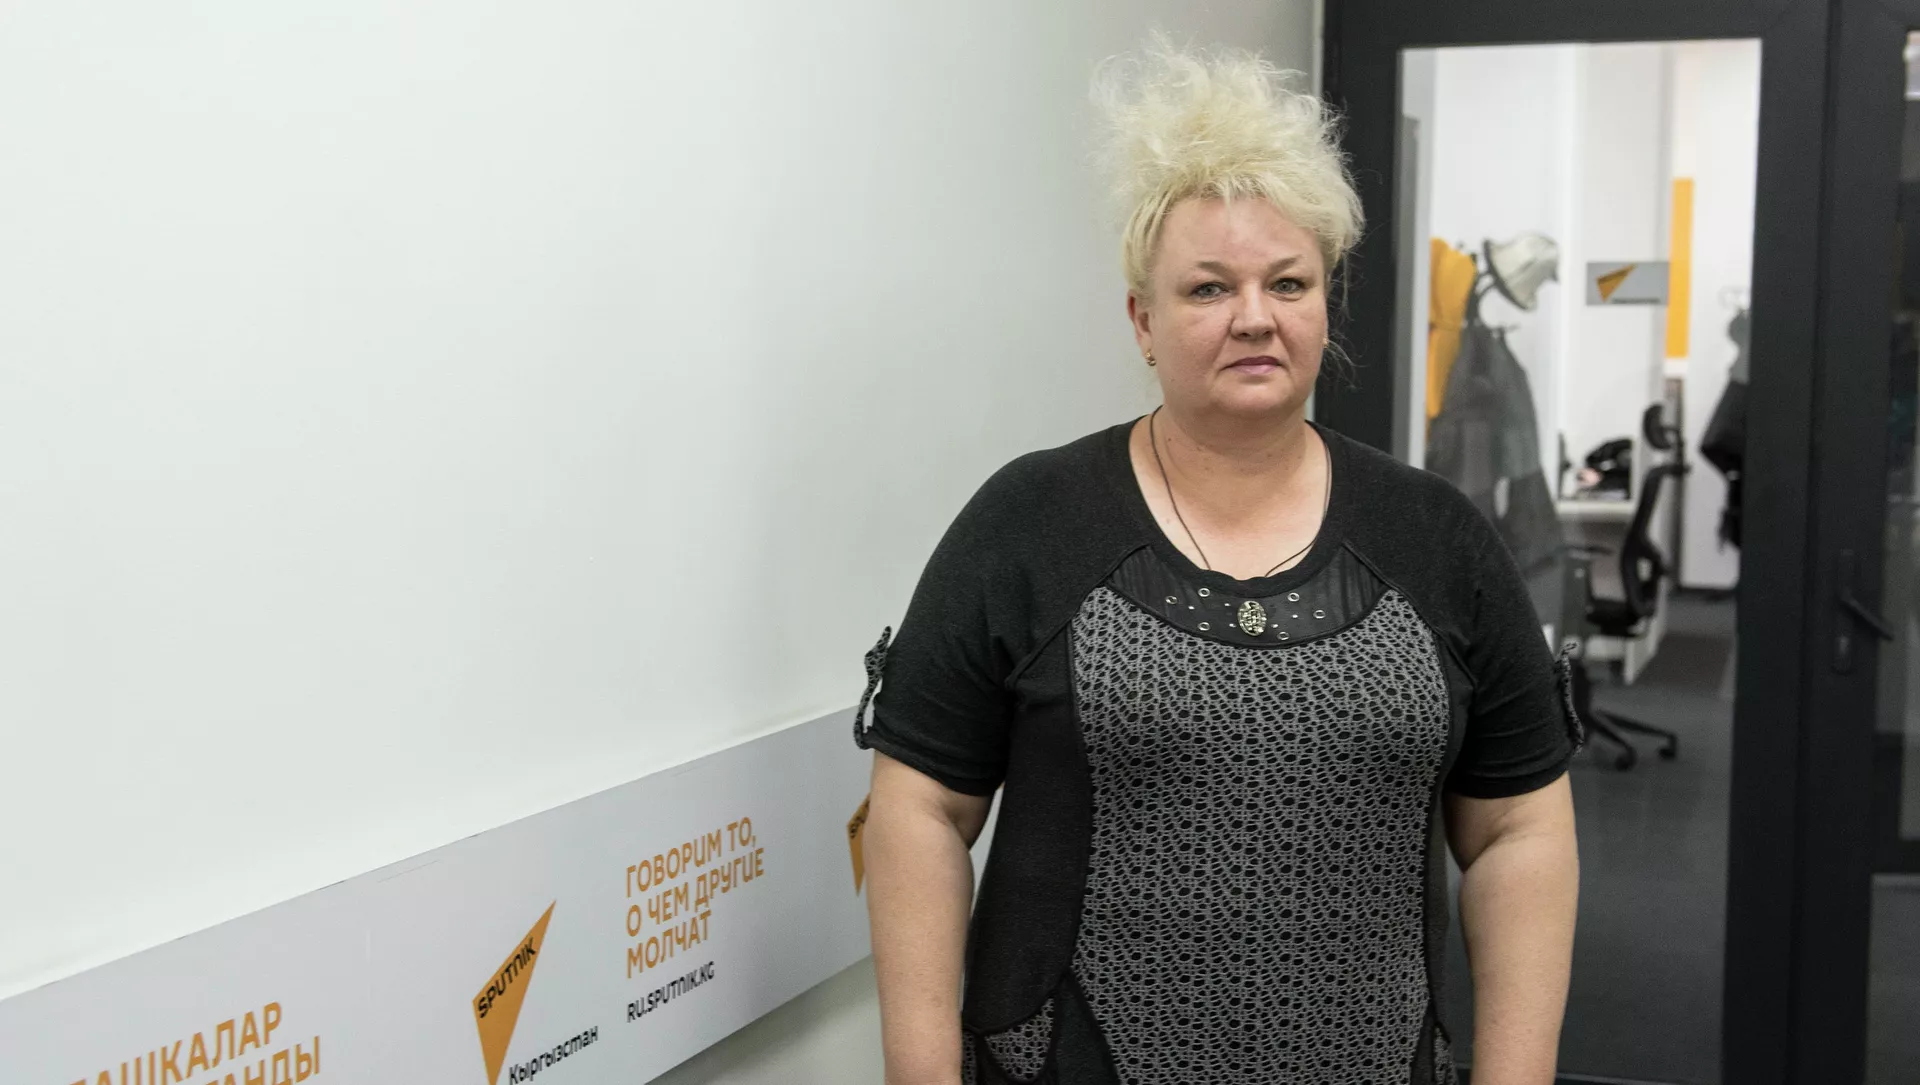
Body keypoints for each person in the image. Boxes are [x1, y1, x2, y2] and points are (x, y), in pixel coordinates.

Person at [854, 37, 1579, 1085]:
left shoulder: (1436, 537)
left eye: (1288, 282)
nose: (1254, 317)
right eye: (1207, 288)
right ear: (1142, 320)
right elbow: (921, 807)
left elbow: (1518, 826)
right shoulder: (1031, 523)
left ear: (1325, 305)